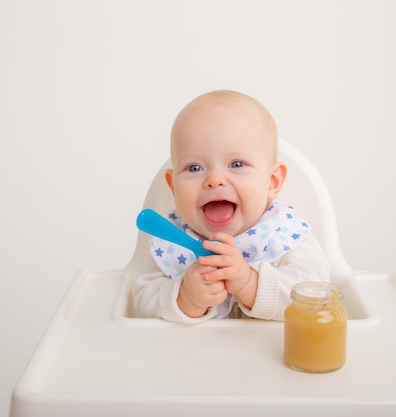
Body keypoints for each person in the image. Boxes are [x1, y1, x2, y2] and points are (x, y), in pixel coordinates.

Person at [131, 90, 330, 322]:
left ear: (272, 181)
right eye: (194, 168)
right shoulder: (172, 242)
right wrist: (185, 298)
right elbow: (141, 301)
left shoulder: (284, 234)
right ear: (173, 186)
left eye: (237, 164)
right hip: (187, 356)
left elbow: (314, 296)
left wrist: (250, 284)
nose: (215, 179)